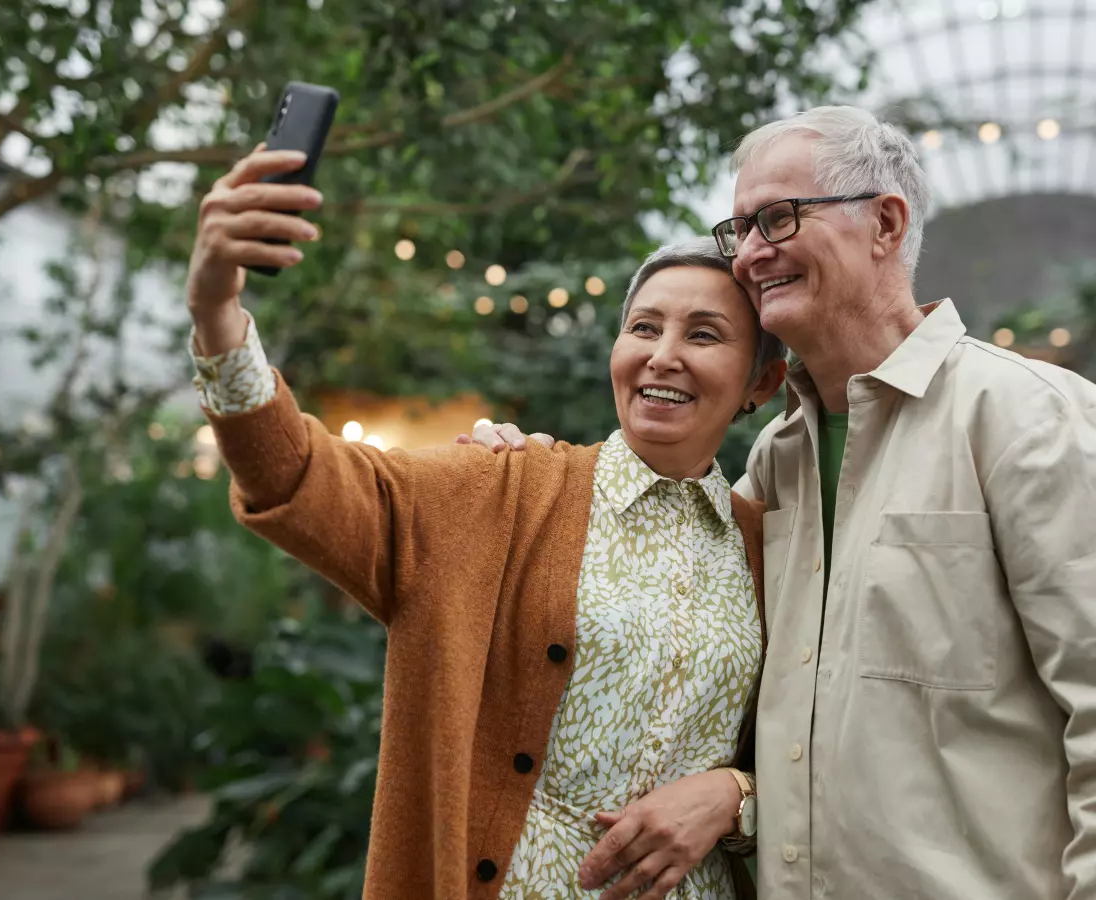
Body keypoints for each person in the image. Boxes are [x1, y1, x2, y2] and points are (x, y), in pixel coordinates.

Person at [467, 105, 1096, 900]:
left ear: (886, 223)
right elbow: (719, 674)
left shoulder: (1027, 418)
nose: (752, 255)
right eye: (741, 230)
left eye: (778, 218)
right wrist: (524, 479)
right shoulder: (777, 461)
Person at [183, 146, 789, 900]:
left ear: (761, 380)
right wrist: (215, 310)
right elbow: (294, 475)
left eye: (703, 335)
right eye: (642, 328)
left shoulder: (774, 547)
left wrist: (739, 796)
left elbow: (818, 748)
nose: (662, 357)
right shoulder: (498, 492)